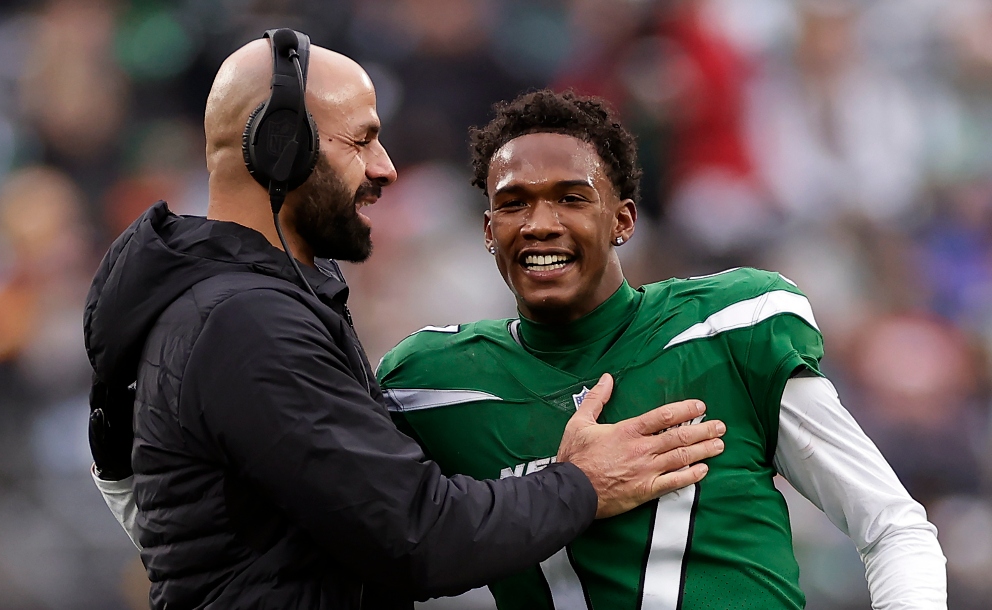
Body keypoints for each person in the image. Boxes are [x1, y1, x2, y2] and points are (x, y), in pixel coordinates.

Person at [85, 33, 726, 610]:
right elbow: (417, 536)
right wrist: (582, 483)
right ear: (280, 148)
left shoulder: (225, 305)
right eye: (361, 140)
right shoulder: (246, 323)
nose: (385, 167)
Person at [375, 90, 948, 609]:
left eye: (571, 198)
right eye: (514, 203)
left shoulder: (729, 327)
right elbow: (374, 556)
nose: (540, 224)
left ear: (622, 220)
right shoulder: (429, 385)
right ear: (487, 230)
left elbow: (889, 525)